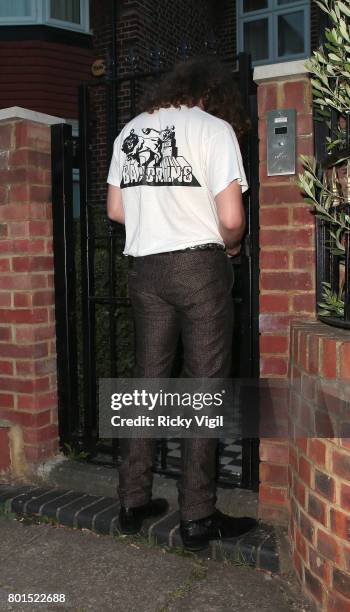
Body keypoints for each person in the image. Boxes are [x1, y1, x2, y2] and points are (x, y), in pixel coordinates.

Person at [106, 56, 258, 551]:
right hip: (199, 268)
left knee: (147, 384)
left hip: (146, 271)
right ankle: (197, 516)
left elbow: (115, 210)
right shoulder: (213, 130)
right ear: (213, 95)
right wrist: (231, 246)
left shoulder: (130, 131)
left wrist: (159, 223)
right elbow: (231, 218)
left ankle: (132, 502)